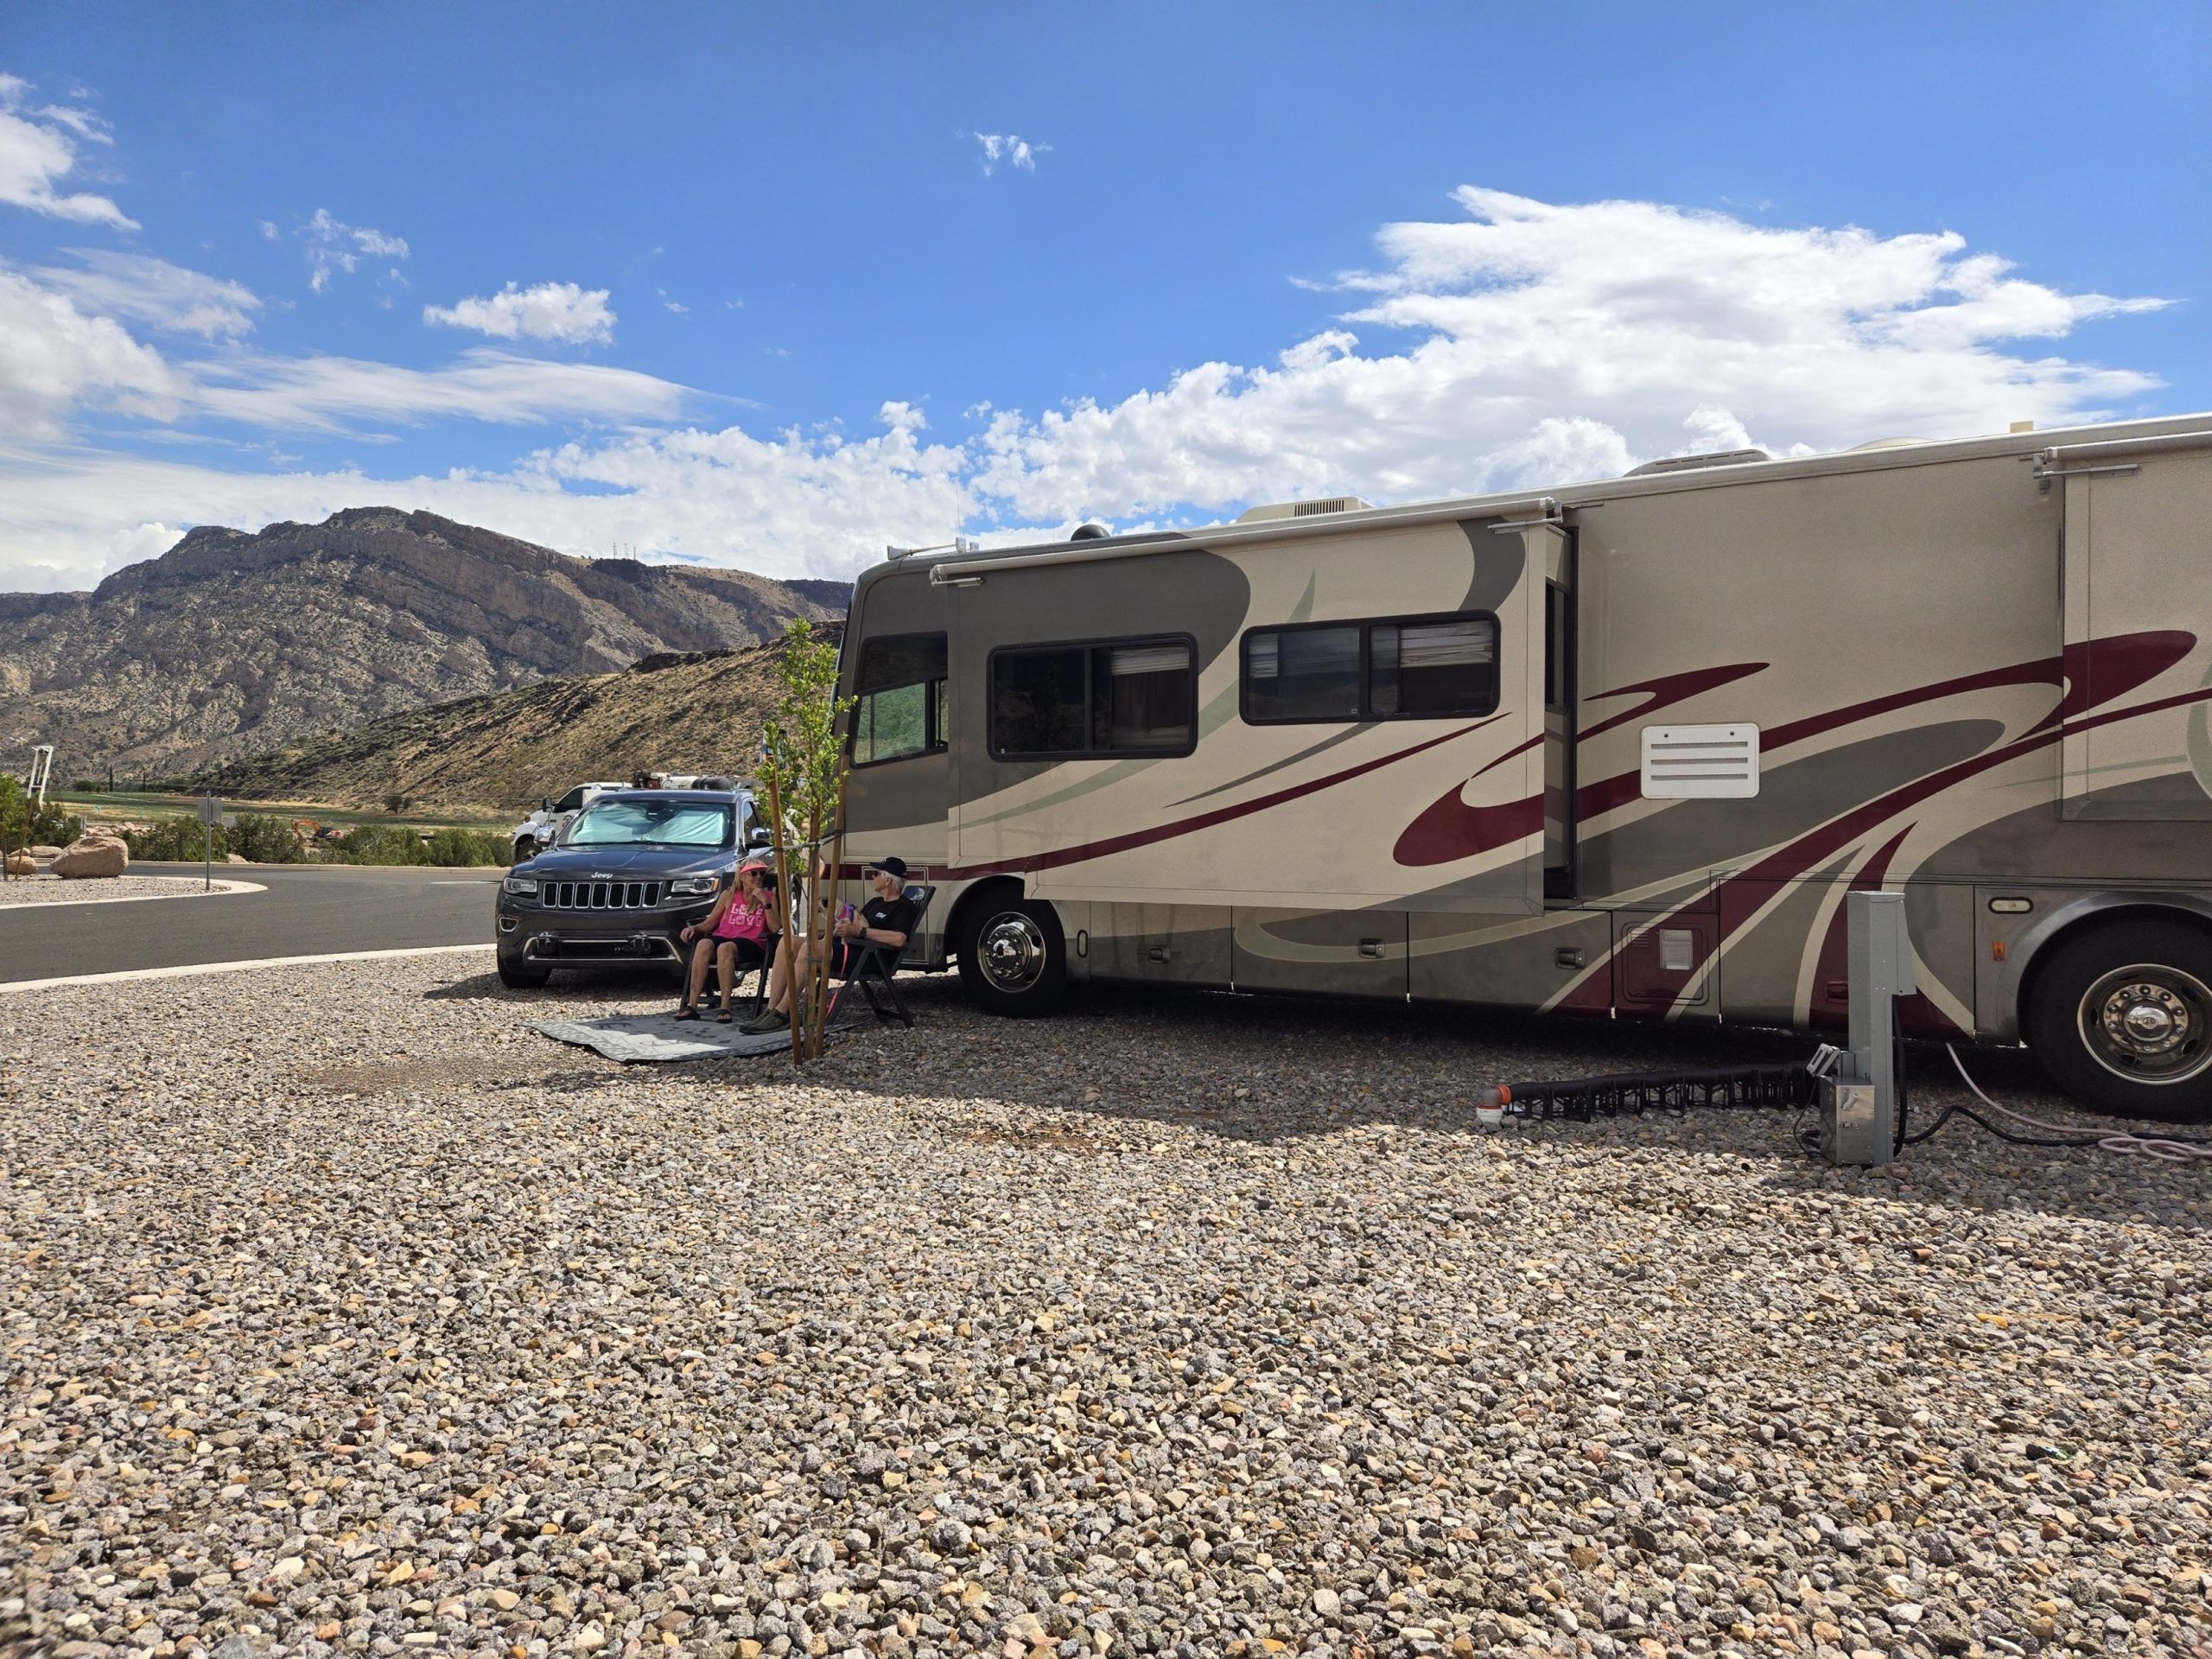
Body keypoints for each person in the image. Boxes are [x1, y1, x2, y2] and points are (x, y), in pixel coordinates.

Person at [744, 856, 918, 1032]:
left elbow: (899, 939)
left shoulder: (904, 907)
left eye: (876, 874)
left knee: (809, 950)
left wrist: (861, 932)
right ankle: (772, 1009)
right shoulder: (876, 903)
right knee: (786, 943)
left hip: (870, 958)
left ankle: (783, 1013)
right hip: (852, 949)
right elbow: (857, 924)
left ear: (887, 880)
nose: (872, 877)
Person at [674, 862, 779, 1022]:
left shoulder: (769, 898)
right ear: (742, 877)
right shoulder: (728, 896)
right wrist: (694, 928)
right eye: (754, 873)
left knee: (725, 948)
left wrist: (765, 902)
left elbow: (774, 928)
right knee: (703, 944)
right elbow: (710, 923)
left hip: (753, 942)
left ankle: (725, 1006)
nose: (759, 877)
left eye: (762, 873)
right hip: (725, 936)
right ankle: (692, 1005)